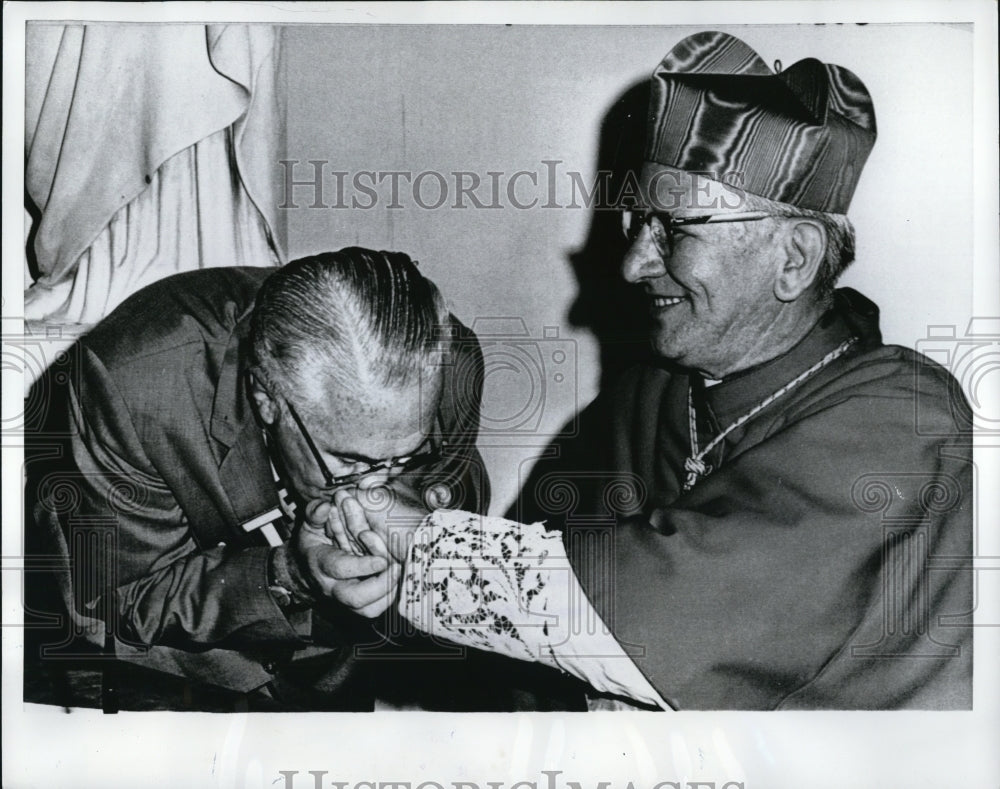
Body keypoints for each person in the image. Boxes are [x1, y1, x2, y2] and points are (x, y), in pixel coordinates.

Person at [513, 31, 973, 710]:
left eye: (675, 229)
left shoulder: (909, 416)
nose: (633, 264)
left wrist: (421, 555)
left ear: (794, 257)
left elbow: (653, 614)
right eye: (635, 222)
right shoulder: (648, 394)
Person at [26, 247, 493, 711]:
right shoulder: (130, 385)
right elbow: (119, 602)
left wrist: (425, 527)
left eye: (406, 455)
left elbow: (461, 485)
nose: (374, 486)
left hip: (332, 671)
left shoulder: (449, 363)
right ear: (266, 397)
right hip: (164, 679)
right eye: (350, 461)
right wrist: (290, 573)